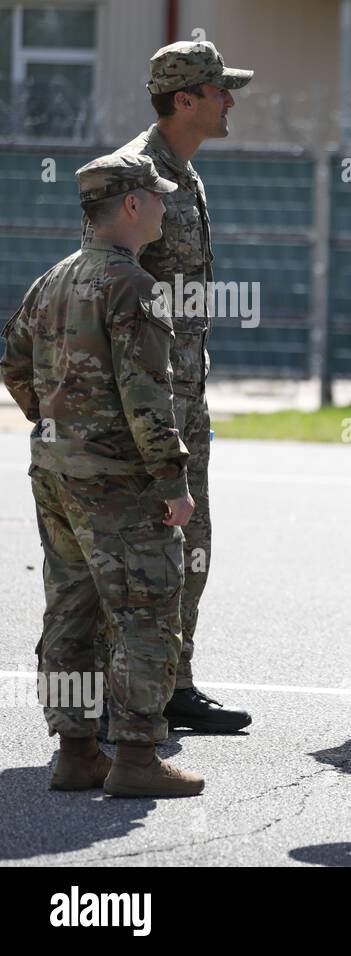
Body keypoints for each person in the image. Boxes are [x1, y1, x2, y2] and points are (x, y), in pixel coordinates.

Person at [2, 154, 204, 798]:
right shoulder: (132, 286)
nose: (166, 208)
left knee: (71, 610)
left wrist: (58, 419)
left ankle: (76, 749)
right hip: (118, 480)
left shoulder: (52, 278)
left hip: (57, 470)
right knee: (146, 609)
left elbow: (12, 362)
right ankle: (138, 755)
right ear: (130, 205)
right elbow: (147, 398)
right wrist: (173, 482)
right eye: (157, 196)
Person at [93, 40, 255, 733]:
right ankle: (114, 696)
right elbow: (106, 287)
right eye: (221, 90)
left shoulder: (184, 177)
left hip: (186, 396)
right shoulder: (136, 175)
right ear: (184, 99)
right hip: (145, 400)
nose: (230, 101)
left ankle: (171, 684)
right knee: (138, 550)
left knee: (192, 542)